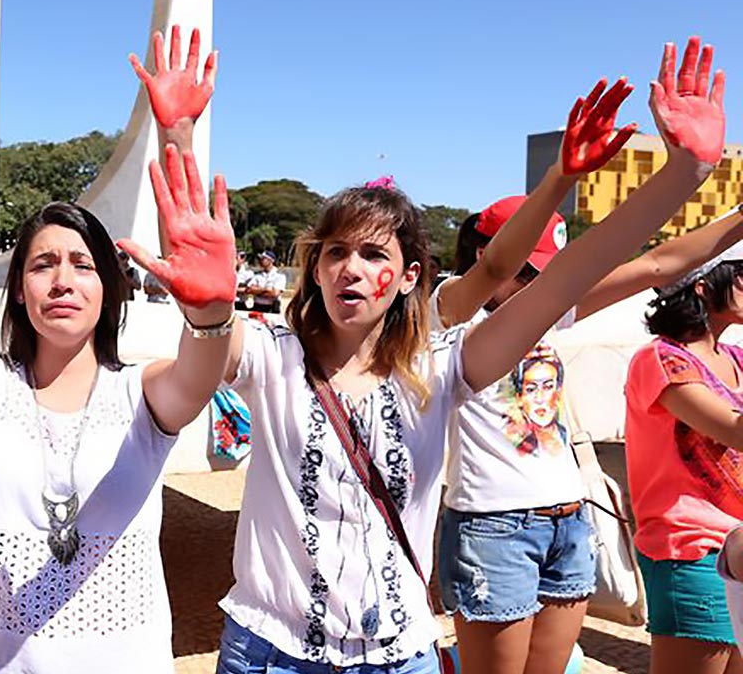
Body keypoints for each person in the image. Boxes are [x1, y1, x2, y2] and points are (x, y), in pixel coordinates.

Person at [213, 36, 725, 673]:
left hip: (425, 631)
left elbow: (596, 268)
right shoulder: (286, 353)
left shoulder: (444, 357)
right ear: (313, 266)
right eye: (336, 252)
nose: (351, 269)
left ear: (407, 277)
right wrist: (206, 303)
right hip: (297, 637)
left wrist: (689, 175)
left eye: (374, 255)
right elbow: (502, 266)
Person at [0, 97, 234, 668]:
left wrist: (210, 314)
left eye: (83, 265)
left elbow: (197, 374)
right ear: (19, 290)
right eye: (42, 264)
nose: (62, 281)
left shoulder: (140, 395)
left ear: (108, 288)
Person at [433, 67, 743, 674]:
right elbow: (495, 268)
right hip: (492, 525)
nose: (544, 280)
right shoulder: (449, 317)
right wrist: (560, 180)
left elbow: (660, 263)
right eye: (533, 266)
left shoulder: (552, 312)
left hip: (567, 519)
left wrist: (733, 210)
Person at [626, 244, 743, 672]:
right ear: (701, 286)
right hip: (693, 552)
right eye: (740, 274)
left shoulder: (735, 358)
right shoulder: (661, 358)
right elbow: (735, 430)